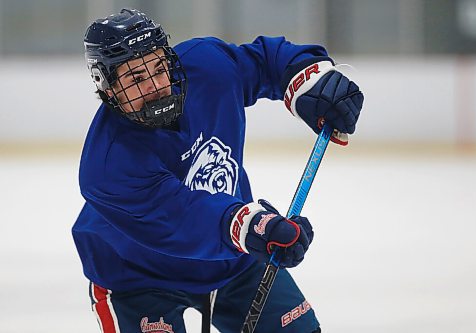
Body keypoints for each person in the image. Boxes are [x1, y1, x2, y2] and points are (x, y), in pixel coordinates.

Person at [72, 8, 363, 333]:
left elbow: (266, 61)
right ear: (107, 87)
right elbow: (183, 216)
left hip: (235, 259)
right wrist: (253, 226)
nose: (156, 86)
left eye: (158, 67)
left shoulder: (204, 66)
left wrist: (311, 80)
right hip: (138, 277)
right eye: (136, 79)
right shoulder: (108, 165)